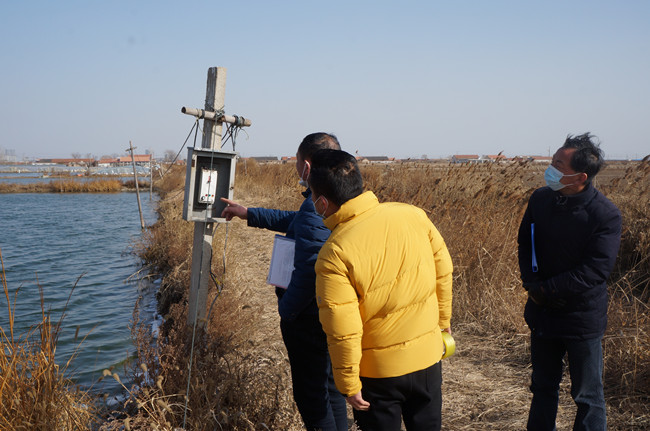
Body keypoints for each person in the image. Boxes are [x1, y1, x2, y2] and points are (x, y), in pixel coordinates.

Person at [308, 149, 453, 431]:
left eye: (312, 196)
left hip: (378, 375)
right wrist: (442, 324)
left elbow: (342, 327)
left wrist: (348, 383)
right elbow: (443, 272)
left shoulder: (334, 252)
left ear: (322, 202)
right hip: (428, 359)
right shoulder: (413, 215)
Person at [220, 133, 347, 431]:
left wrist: (286, 310)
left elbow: (309, 269)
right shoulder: (337, 198)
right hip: (329, 310)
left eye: (297, 163)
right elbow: (296, 221)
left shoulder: (315, 208)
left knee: (312, 396)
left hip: (309, 317)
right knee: (330, 386)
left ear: (306, 166)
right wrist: (249, 213)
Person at [517, 133, 622, 431]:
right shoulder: (540, 199)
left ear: (580, 176)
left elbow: (595, 270)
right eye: (552, 161)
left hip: (581, 318)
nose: (550, 169)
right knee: (542, 387)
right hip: (542, 313)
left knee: (587, 395)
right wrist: (532, 284)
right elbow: (526, 243)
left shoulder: (605, 215)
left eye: (558, 165)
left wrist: (547, 289)